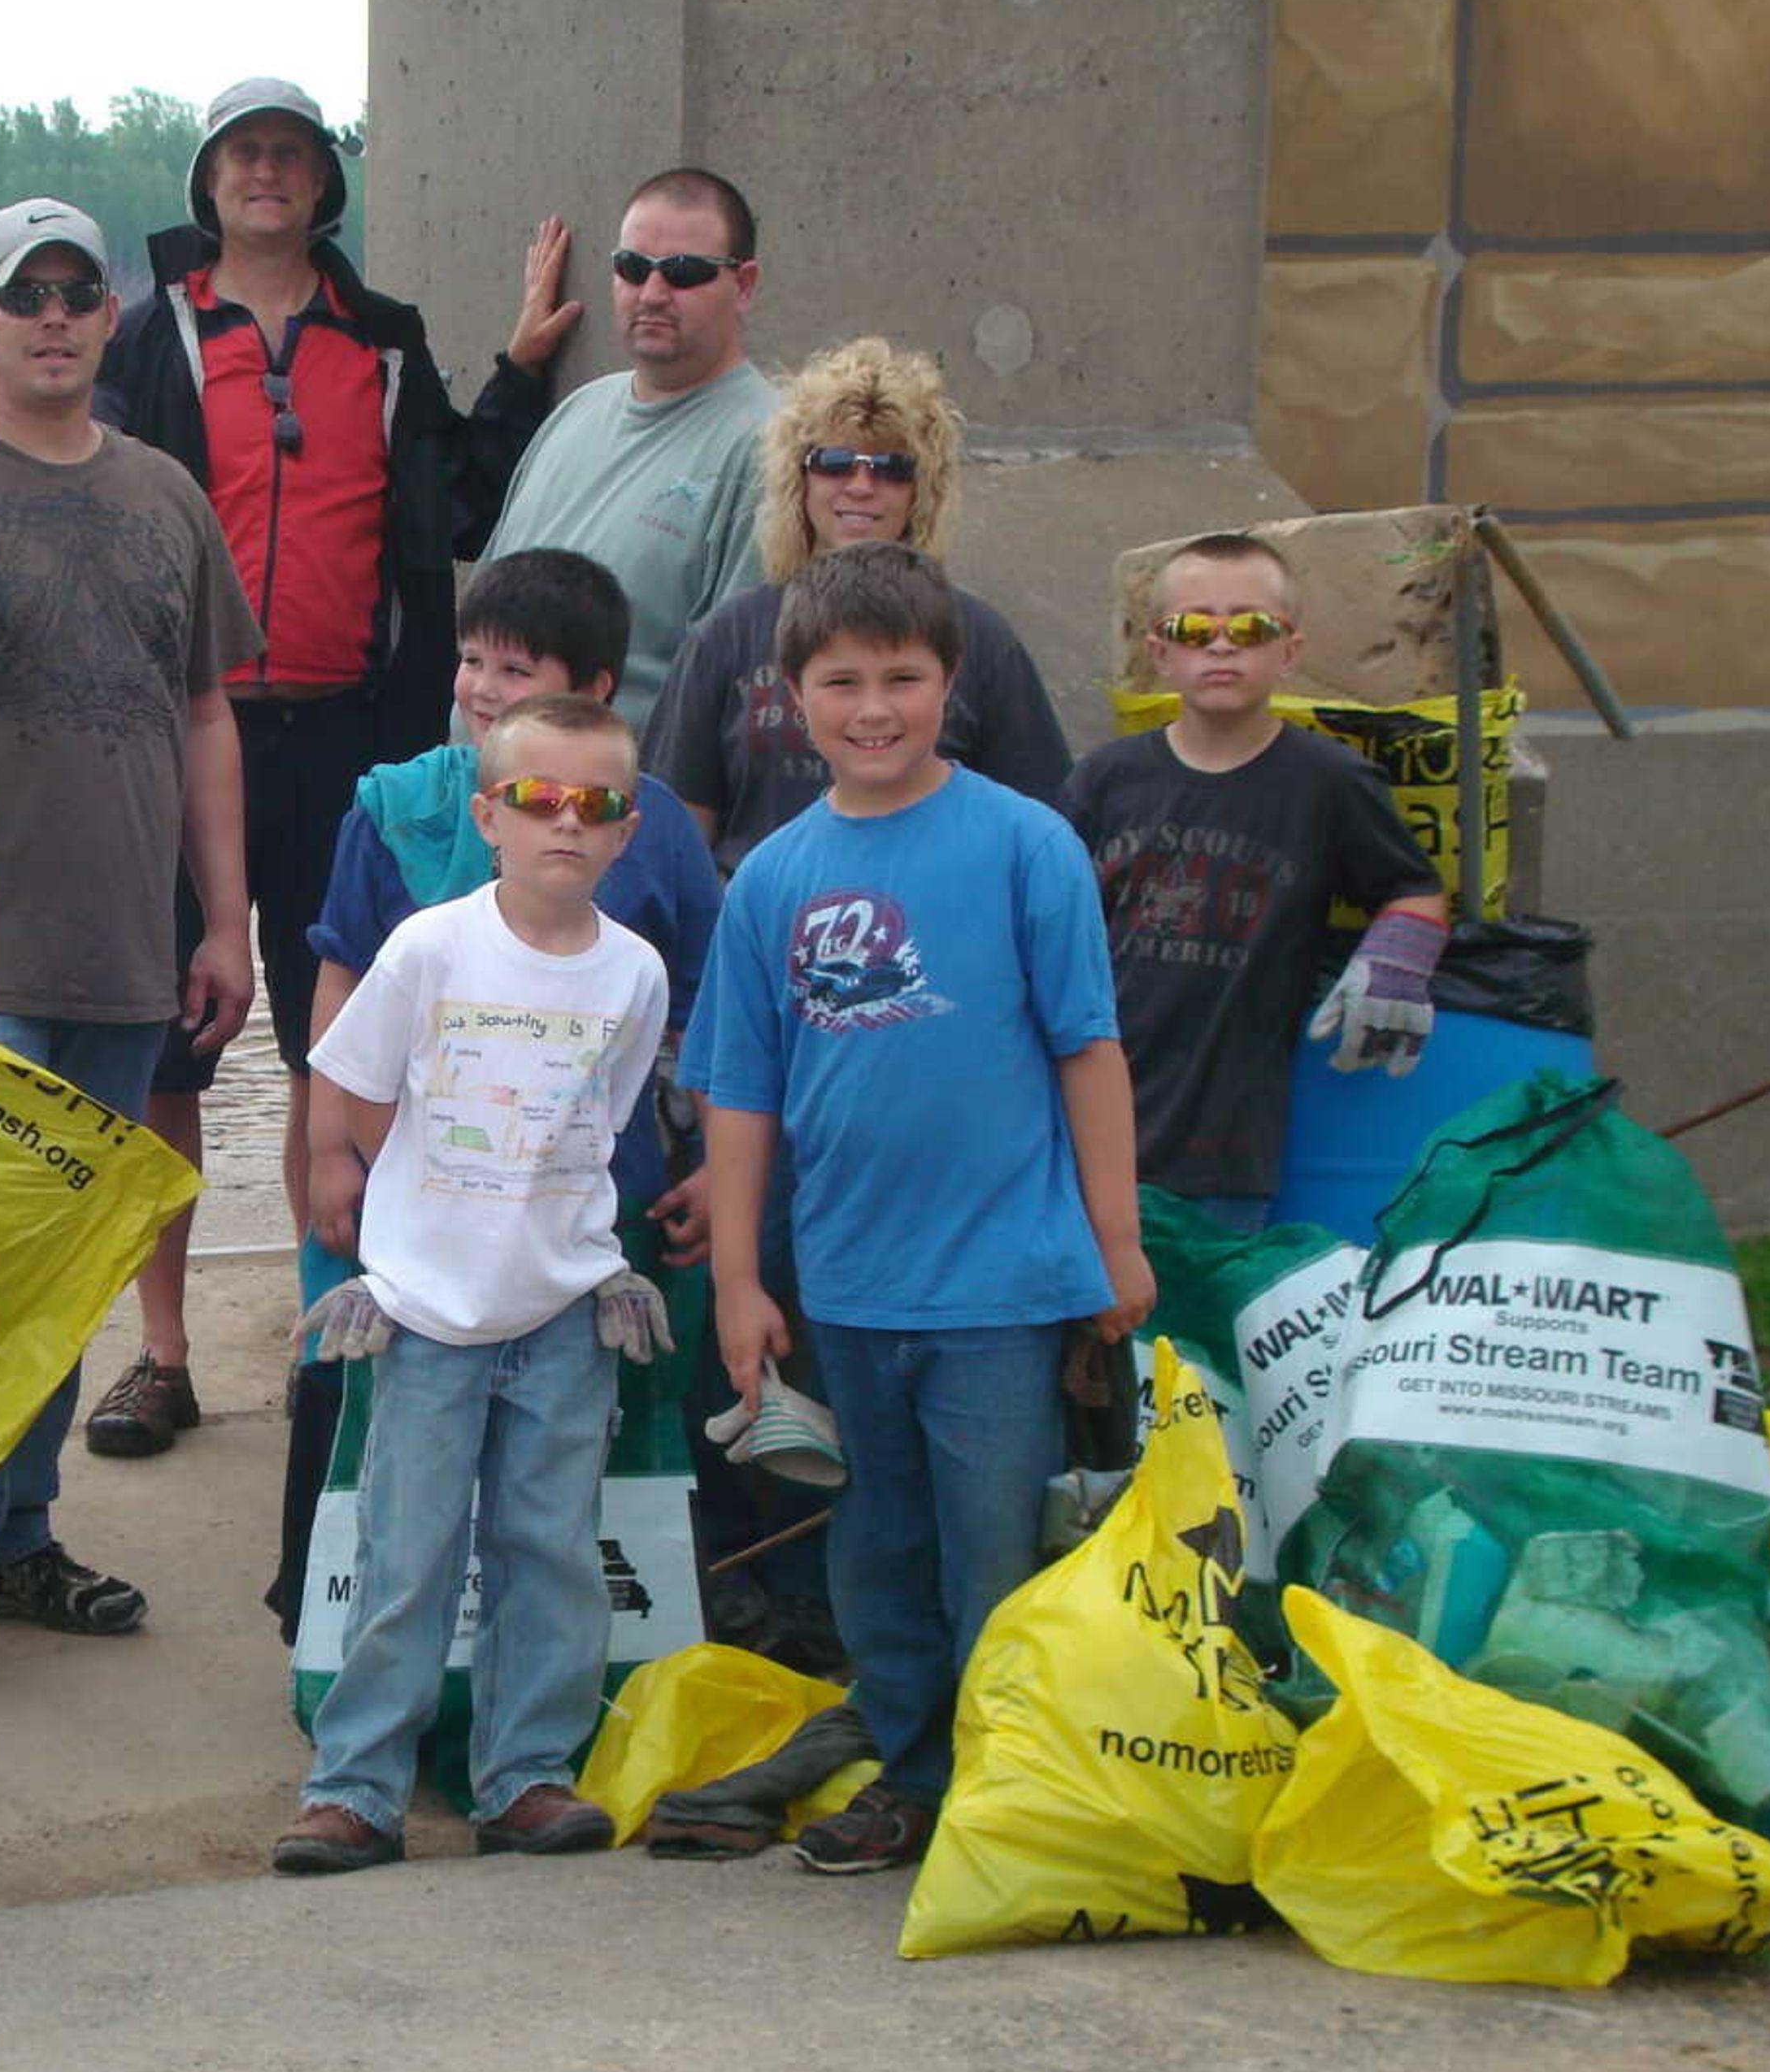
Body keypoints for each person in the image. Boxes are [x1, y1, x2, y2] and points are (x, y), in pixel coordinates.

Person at [89, 76, 576, 1462]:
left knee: (334, 1035)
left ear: (323, 186)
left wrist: (523, 370)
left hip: (348, 737)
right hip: (186, 732)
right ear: (209, 183)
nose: (268, 175)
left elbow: (463, 501)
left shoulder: (385, 343)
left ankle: (327, 1315)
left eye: (292, 156)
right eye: (244, 153)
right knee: (174, 1042)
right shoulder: (147, 338)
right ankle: (161, 1351)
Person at [0, 198, 261, 1713]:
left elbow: (206, 714)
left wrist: (226, 920)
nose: (58, 318)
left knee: (60, 1280)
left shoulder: (163, 495)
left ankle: (16, 1534)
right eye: (28, 295)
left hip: (121, 953)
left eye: (82, 293)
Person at [687, 543, 1154, 1876]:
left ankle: (1011, 1784)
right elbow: (738, 1093)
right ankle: (912, 1769)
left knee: (996, 1543)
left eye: (904, 676)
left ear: (952, 683)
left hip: (1006, 1283)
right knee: (879, 1547)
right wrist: (738, 1279)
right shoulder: (772, 877)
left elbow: (1088, 1046)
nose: (874, 707)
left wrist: (1111, 1239)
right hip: (847, 1283)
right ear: (793, 697)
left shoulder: (1026, 845)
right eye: (843, 681)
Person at [275, 549, 718, 1642]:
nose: (479, 686)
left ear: (597, 691)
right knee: (359, 1397)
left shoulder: (648, 827)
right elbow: (340, 987)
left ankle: (583, 1664)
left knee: (566, 1459)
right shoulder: (394, 807)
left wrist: (708, 1165)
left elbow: (697, 1015)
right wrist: (332, 1155)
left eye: (516, 670)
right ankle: (322, 1622)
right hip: (403, 1192)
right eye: (472, 659)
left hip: (572, 1210)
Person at [270, 692, 671, 1874]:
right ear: (490, 814)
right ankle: (356, 1788)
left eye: (595, 805)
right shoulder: (430, 945)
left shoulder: (635, 974)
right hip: (429, 1315)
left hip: (564, 1309)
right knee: (407, 1555)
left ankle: (528, 1775)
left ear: (626, 829)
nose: (567, 823)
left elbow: (608, 1112)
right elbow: (354, 1082)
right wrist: (386, 1222)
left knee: (552, 1547)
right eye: (540, 799)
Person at [1056, 532, 1450, 1229]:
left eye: (1250, 626)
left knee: (1197, 1338)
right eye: (1193, 627)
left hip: (1227, 1148)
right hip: (1084, 1132)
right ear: (1159, 652)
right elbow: (1042, 931)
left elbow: (1412, 887)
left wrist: (1399, 957)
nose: (1221, 644)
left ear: (1289, 651)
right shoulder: (1103, 781)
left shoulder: (1330, 785)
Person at [643, 336, 1071, 876]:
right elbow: (675, 836)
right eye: (836, 462)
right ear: (797, 478)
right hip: (761, 936)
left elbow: (1041, 833)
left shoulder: (981, 640)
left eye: (892, 467)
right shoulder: (729, 635)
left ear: (924, 490)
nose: (862, 486)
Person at [480, 167, 774, 724]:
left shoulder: (767, 449)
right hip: (485, 795)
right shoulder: (576, 412)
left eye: (685, 273)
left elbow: (732, 688)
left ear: (745, 284)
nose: (653, 294)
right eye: (633, 269)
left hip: (615, 804)